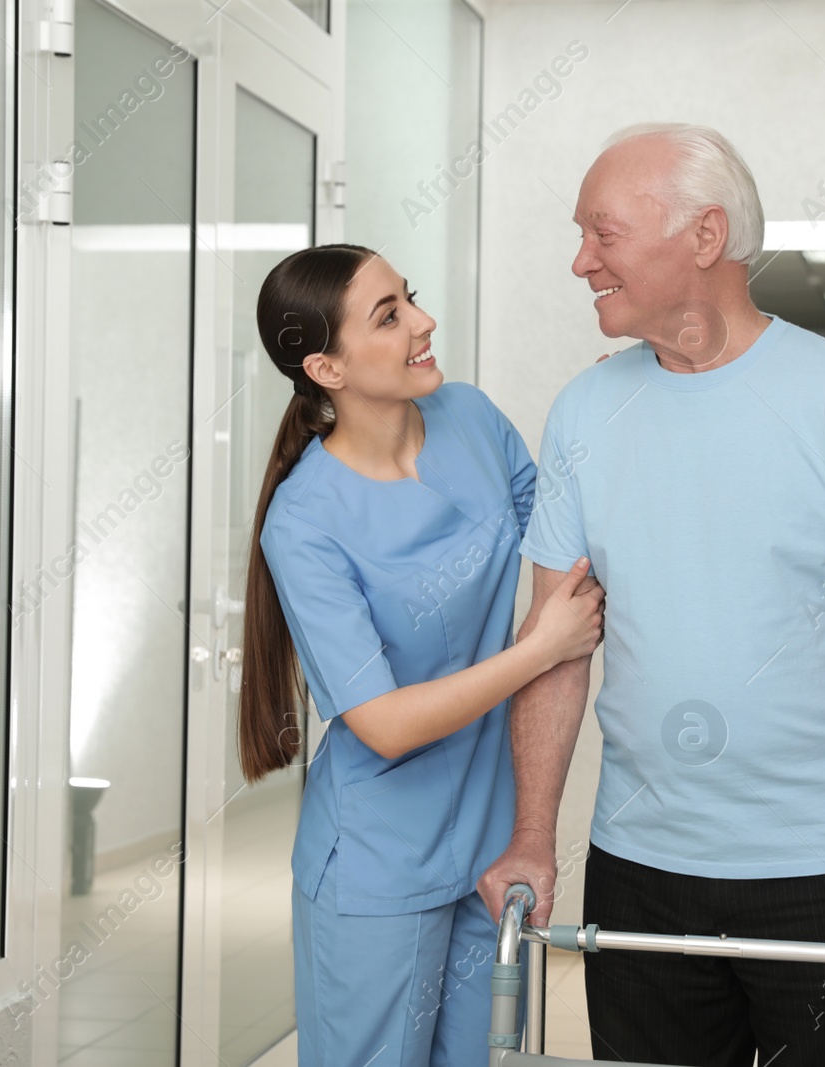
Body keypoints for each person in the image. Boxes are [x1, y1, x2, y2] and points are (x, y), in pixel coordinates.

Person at [477, 124, 825, 1066]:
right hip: (644, 868)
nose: (581, 259)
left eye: (604, 233)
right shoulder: (585, 412)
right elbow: (556, 646)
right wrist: (530, 841)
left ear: (705, 236)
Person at [238, 243, 605, 1067]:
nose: (423, 321)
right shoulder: (304, 523)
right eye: (389, 314)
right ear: (325, 365)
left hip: (490, 841)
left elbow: (569, 537)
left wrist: (618, 410)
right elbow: (384, 724)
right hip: (375, 861)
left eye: (410, 298)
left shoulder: (472, 420)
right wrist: (540, 648)